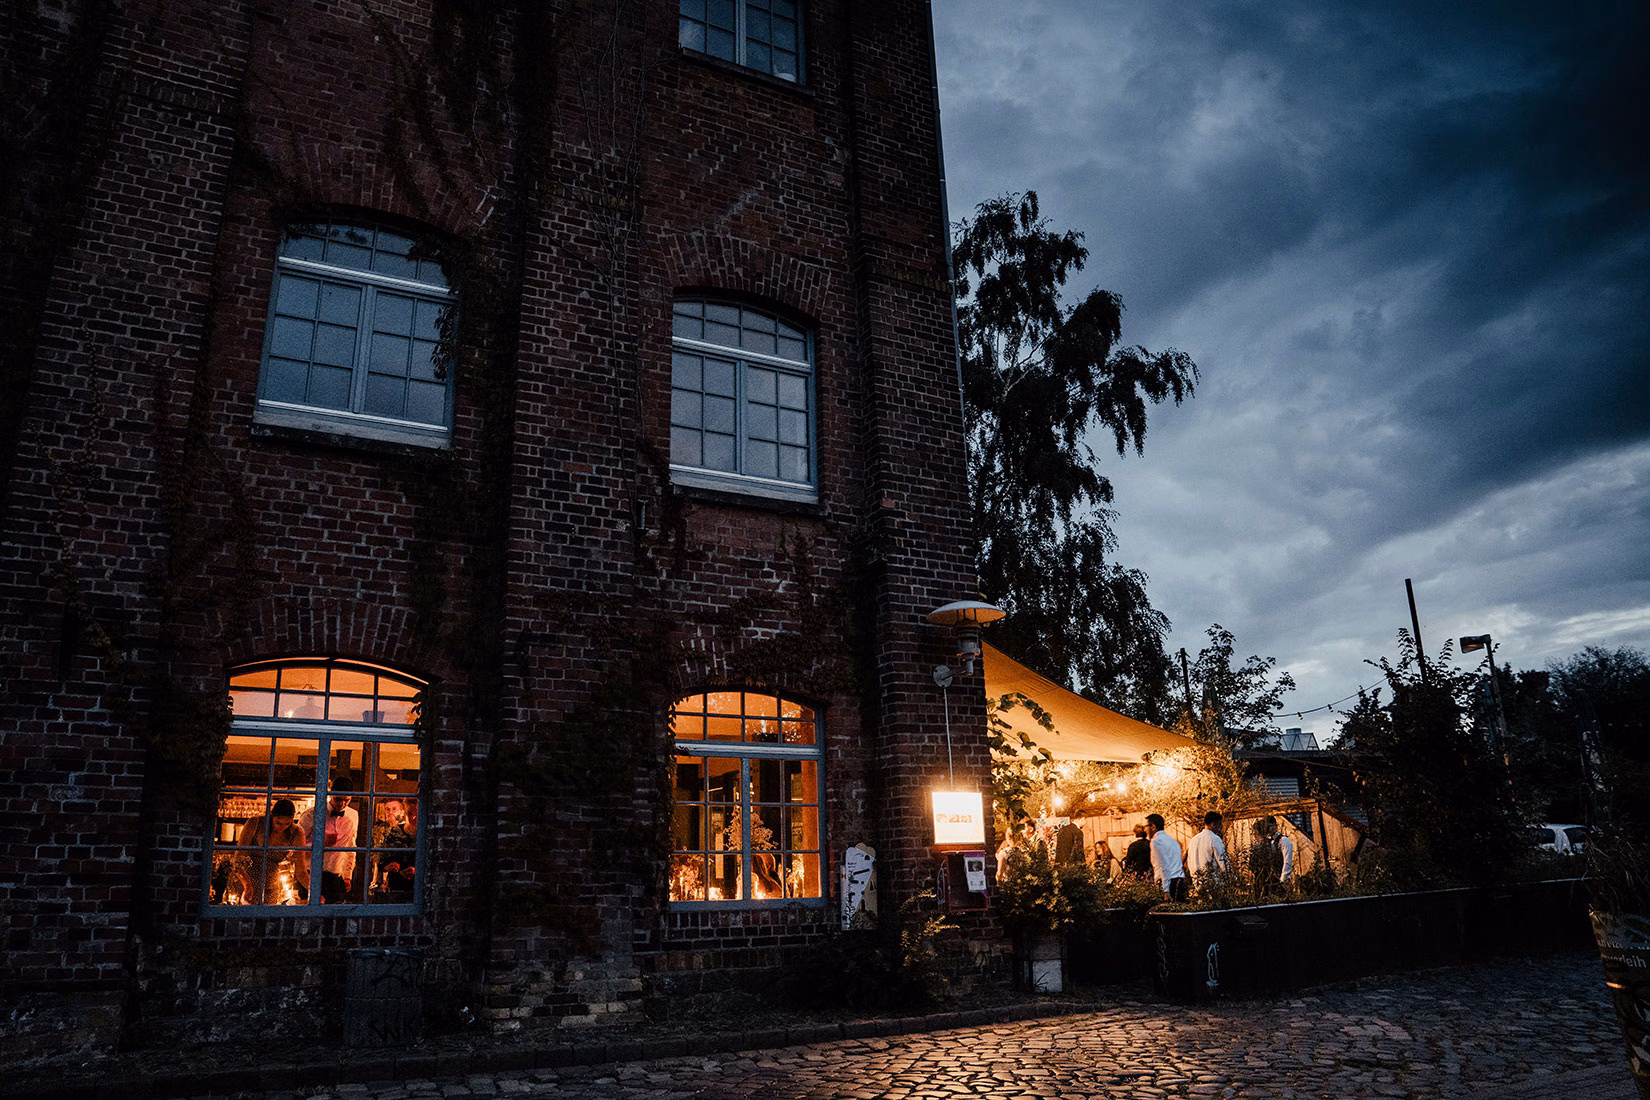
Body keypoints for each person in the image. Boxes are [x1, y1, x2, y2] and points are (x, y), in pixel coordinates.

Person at [298, 777, 360, 903]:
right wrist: (321, 844)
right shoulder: (311, 814)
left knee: (334, 918)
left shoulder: (353, 815)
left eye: (347, 800)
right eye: (338, 799)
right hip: (310, 874)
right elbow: (297, 849)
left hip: (337, 876)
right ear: (330, 794)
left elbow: (351, 847)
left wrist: (348, 875)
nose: (342, 804)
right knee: (307, 916)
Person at [235, 798, 303, 904]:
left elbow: (301, 871)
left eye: (287, 824)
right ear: (272, 817)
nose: (282, 827)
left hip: (270, 886)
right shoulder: (255, 824)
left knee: (267, 918)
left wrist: (315, 892)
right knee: (242, 917)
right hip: (245, 882)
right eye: (278, 823)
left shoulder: (297, 833)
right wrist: (247, 884)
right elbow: (238, 861)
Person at [1146, 813, 1187, 901]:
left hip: (1168, 883)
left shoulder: (1156, 841)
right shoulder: (1173, 841)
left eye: (1146, 826)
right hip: (1179, 880)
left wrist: (1165, 890)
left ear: (1153, 826)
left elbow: (1163, 865)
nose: (1145, 830)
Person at [1186, 811, 1230, 891]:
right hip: (1214, 883)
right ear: (1213, 824)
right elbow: (1222, 861)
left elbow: (1189, 862)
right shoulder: (1214, 839)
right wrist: (1229, 879)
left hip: (1198, 882)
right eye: (1220, 824)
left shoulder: (1194, 840)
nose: (1221, 827)